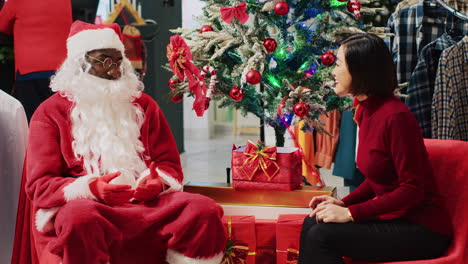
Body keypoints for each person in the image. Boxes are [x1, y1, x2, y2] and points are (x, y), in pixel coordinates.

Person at [21, 20, 227, 264]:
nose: (114, 71)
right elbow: (39, 186)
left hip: (147, 205)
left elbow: (169, 164)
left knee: (202, 210)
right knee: (80, 217)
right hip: (90, 208)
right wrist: (90, 188)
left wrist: (157, 183)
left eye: (118, 61)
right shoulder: (50, 113)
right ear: (80, 64)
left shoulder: (144, 105)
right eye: (104, 61)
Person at [299, 33, 452, 263]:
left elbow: (411, 189)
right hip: (394, 218)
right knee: (314, 220)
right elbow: (379, 176)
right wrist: (344, 202)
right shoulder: (364, 109)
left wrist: (351, 213)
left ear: (360, 70)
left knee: (322, 235)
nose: (333, 71)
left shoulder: (395, 116)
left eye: (339, 64)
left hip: (422, 229)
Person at [0, 0, 72, 121]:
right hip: (62, 72)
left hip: (29, 71)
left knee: (33, 121)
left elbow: (2, 25)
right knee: (61, 121)